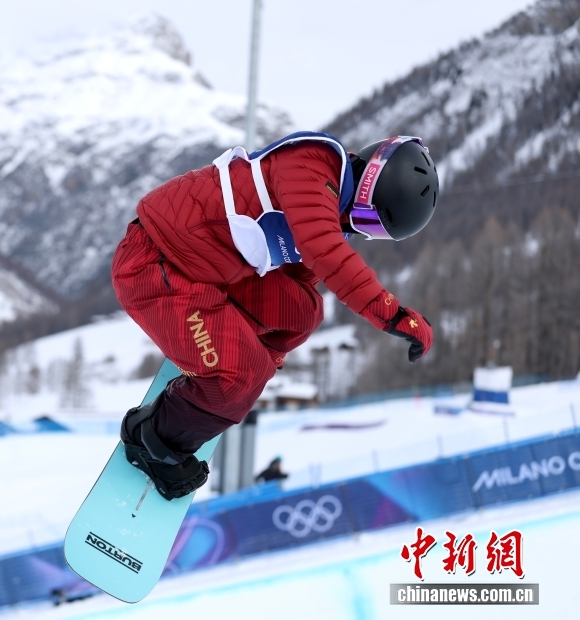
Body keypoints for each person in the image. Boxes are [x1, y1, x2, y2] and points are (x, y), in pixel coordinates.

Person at [114, 132, 438, 501]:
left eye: (376, 231)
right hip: (156, 263)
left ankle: (225, 376)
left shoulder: (333, 205)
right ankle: (151, 441)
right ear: (369, 185)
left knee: (303, 311)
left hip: (212, 273)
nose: (363, 229)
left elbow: (303, 279)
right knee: (239, 379)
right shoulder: (311, 166)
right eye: (372, 220)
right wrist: (394, 315)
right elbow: (326, 252)